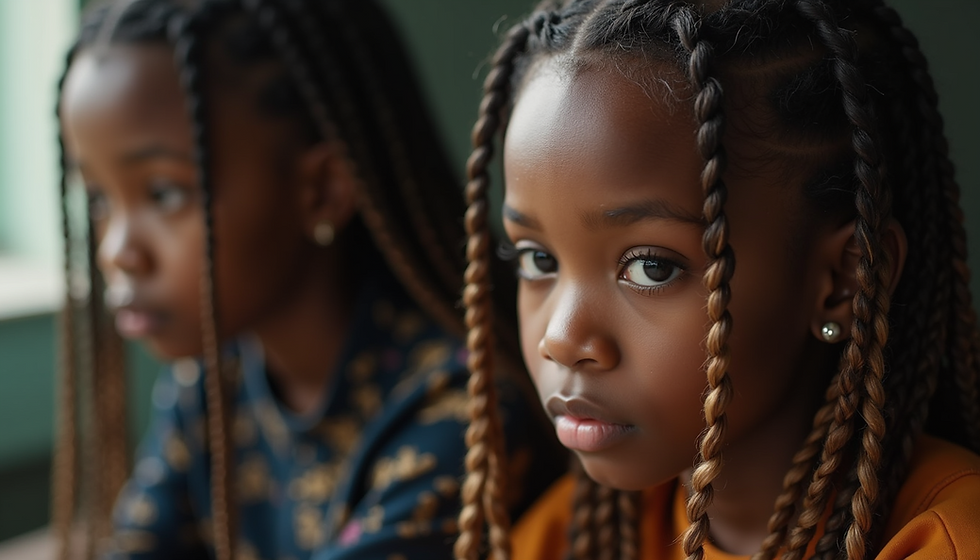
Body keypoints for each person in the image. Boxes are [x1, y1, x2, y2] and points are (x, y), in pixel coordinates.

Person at [454, 0, 980, 559]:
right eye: (538, 260)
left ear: (843, 280)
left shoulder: (946, 540)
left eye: (650, 267)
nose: (559, 339)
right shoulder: (573, 537)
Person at [53, 0, 563, 559]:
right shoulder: (212, 380)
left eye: (164, 193)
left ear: (321, 188)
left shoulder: (468, 410)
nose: (117, 251)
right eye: (99, 198)